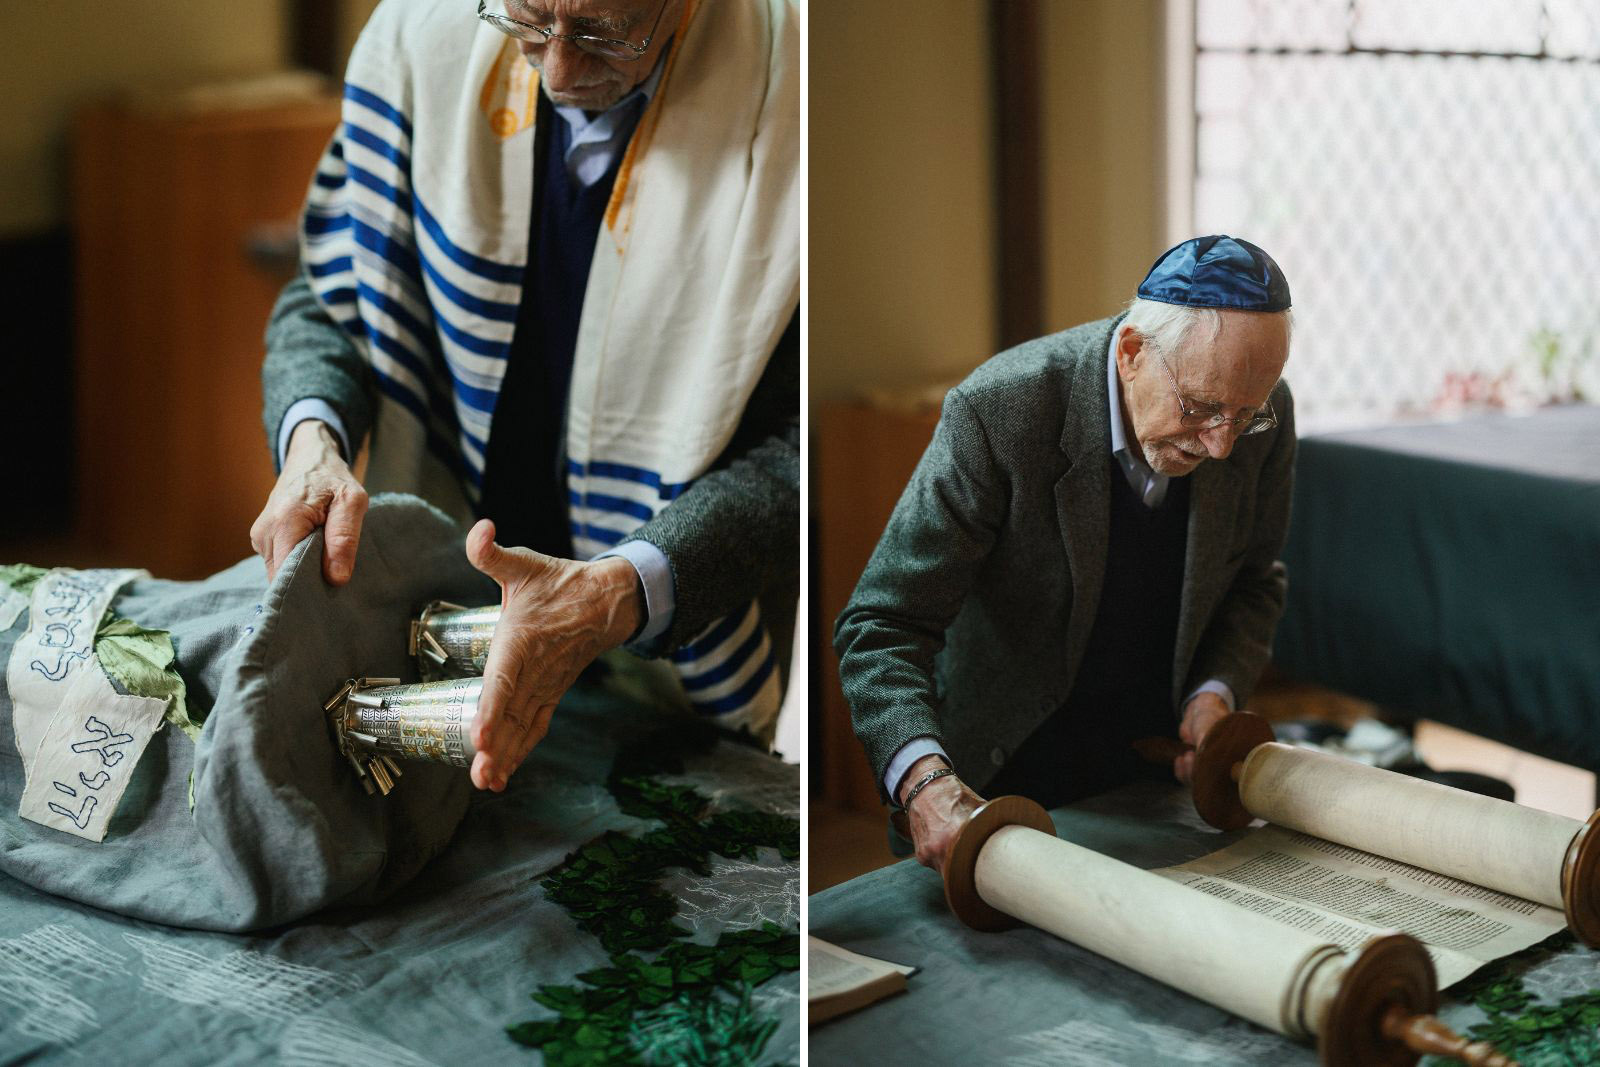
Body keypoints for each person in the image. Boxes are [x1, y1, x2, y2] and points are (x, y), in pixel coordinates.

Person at [250, 0, 799, 795]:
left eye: (607, 31)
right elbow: (336, 288)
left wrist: (619, 591)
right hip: (446, 575)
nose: (560, 70)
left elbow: (796, 446)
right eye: (531, 17)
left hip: (668, 620)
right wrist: (313, 441)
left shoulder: (791, 96)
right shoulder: (420, 37)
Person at [835, 235, 1295, 874]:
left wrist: (1211, 695)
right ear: (1133, 354)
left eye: (1245, 418)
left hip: (1153, 775)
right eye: (1200, 408)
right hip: (995, 782)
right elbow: (883, 625)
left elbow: (1253, 581)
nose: (1221, 446)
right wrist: (922, 785)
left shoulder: (1256, 411)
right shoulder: (1000, 410)